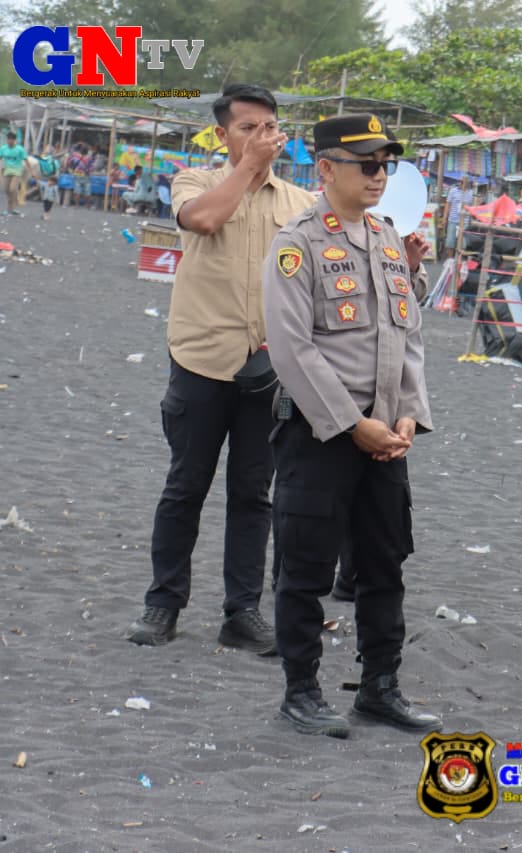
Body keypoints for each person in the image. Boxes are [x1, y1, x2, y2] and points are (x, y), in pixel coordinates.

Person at [264, 113, 442, 739]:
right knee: (306, 567)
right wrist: (351, 424)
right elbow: (291, 349)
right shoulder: (298, 244)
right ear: (325, 169)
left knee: (384, 563)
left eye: (384, 165)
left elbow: (408, 335)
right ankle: (302, 691)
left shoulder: (389, 241)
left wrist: (405, 415)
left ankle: (379, 687)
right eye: (366, 164)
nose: (378, 175)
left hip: (386, 437)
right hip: (321, 434)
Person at [124, 84, 315, 652]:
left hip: (271, 367)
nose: (263, 138)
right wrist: (247, 172)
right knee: (185, 487)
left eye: (270, 127)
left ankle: (242, 612)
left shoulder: (301, 203)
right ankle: (163, 604)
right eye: (248, 128)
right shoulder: (196, 181)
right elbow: (204, 221)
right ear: (221, 135)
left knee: (254, 495)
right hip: (201, 359)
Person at [443, 174, 473, 259]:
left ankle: (460, 260)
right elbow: (448, 204)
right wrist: (445, 218)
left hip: (465, 221)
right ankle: (450, 259)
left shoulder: (471, 193)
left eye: (462, 182)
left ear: (467, 183)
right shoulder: (453, 191)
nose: (460, 183)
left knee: (463, 242)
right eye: (459, 181)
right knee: (450, 241)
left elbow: (473, 207)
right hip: (453, 219)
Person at [1, 131, 28, 216]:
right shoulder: (3, 148)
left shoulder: (19, 149)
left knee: (12, 189)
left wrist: (32, 171)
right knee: (6, 189)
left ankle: (11, 207)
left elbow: (26, 160)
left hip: (17, 171)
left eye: (11, 140)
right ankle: (12, 206)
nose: (10, 141)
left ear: (14, 140)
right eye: (8, 139)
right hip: (7, 171)